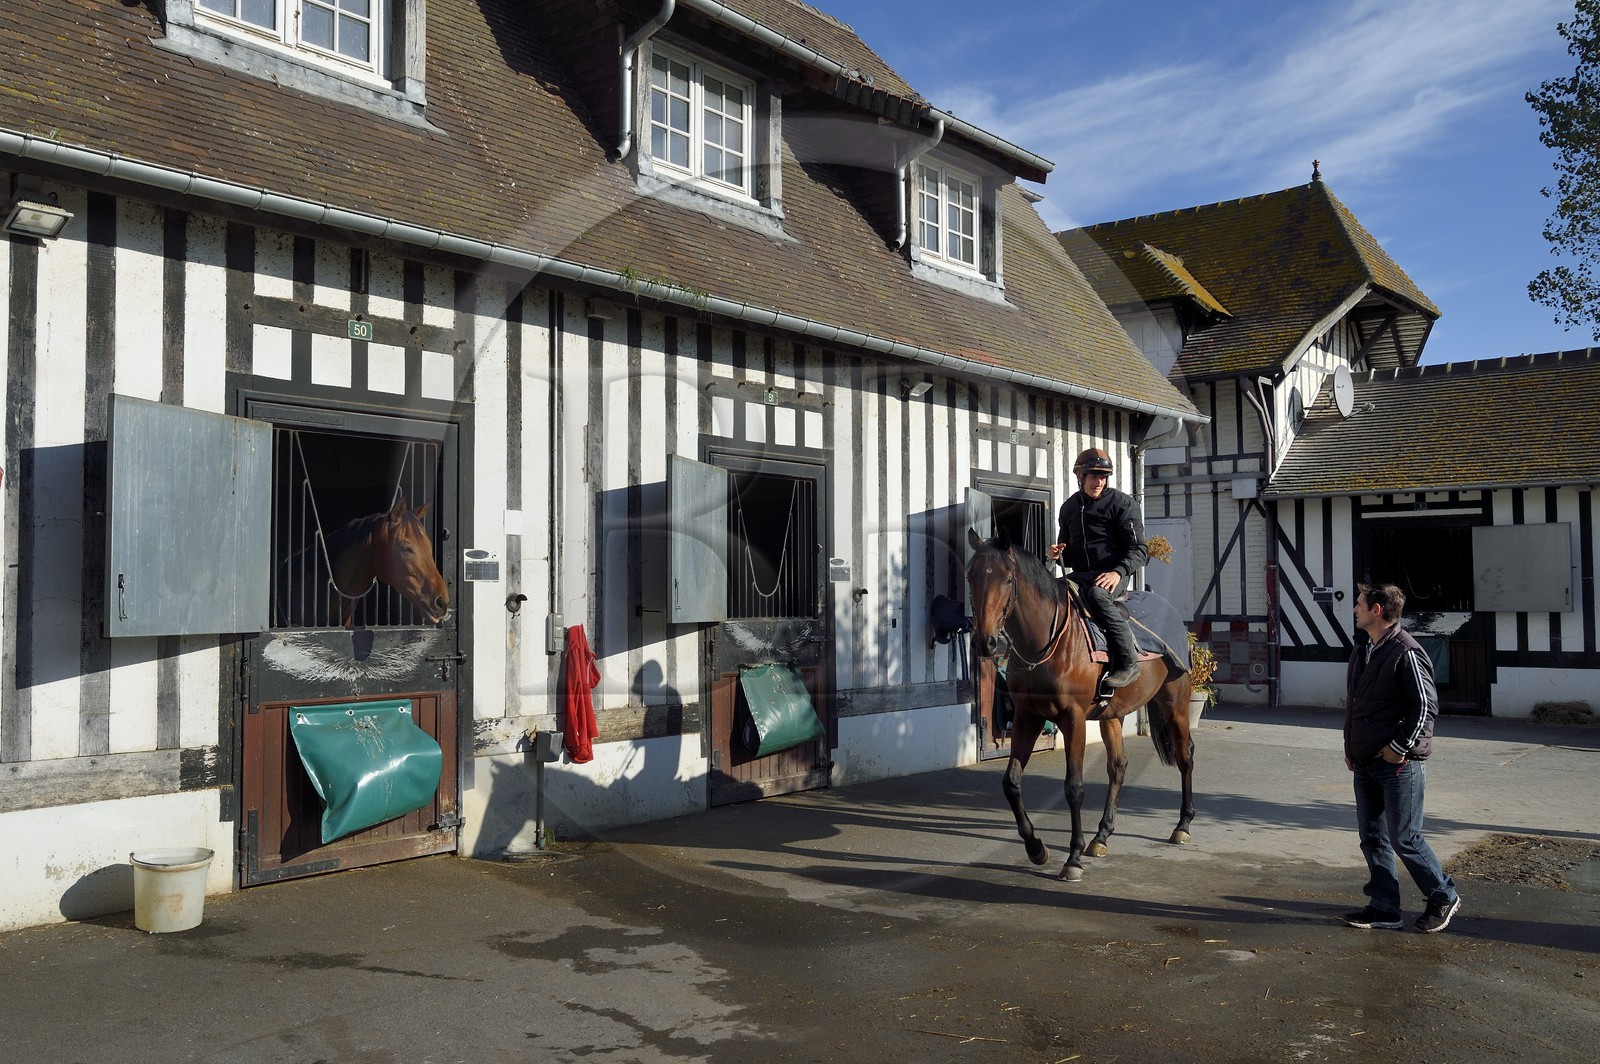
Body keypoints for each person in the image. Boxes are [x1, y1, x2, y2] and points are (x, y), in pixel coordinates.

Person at [1342, 582, 1462, 933]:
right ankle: (1384, 907)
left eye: (1359, 604)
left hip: (1398, 764)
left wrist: (1400, 747)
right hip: (1365, 761)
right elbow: (1357, 706)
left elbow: (1425, 706)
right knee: (1372, 837)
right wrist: (1352, 748)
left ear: (1376, 610)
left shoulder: (1405, 651)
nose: (1354, 609)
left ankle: (1443, 895)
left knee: (1405, 838)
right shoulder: (1365, 648)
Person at [1047, 447, 1147, 687]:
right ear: (1080, 476)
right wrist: (1057, 554)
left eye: (1103, 477)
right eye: (1094, 476)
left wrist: (1117, 572)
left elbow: (1140, 550)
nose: (1099, 482)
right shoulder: (1069, 508)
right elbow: (1068, 555)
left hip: (1112, 574)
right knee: (1052, 591)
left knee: (1097, 595)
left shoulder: (1123, 504)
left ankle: (1128, 662)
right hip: (1081, 574)